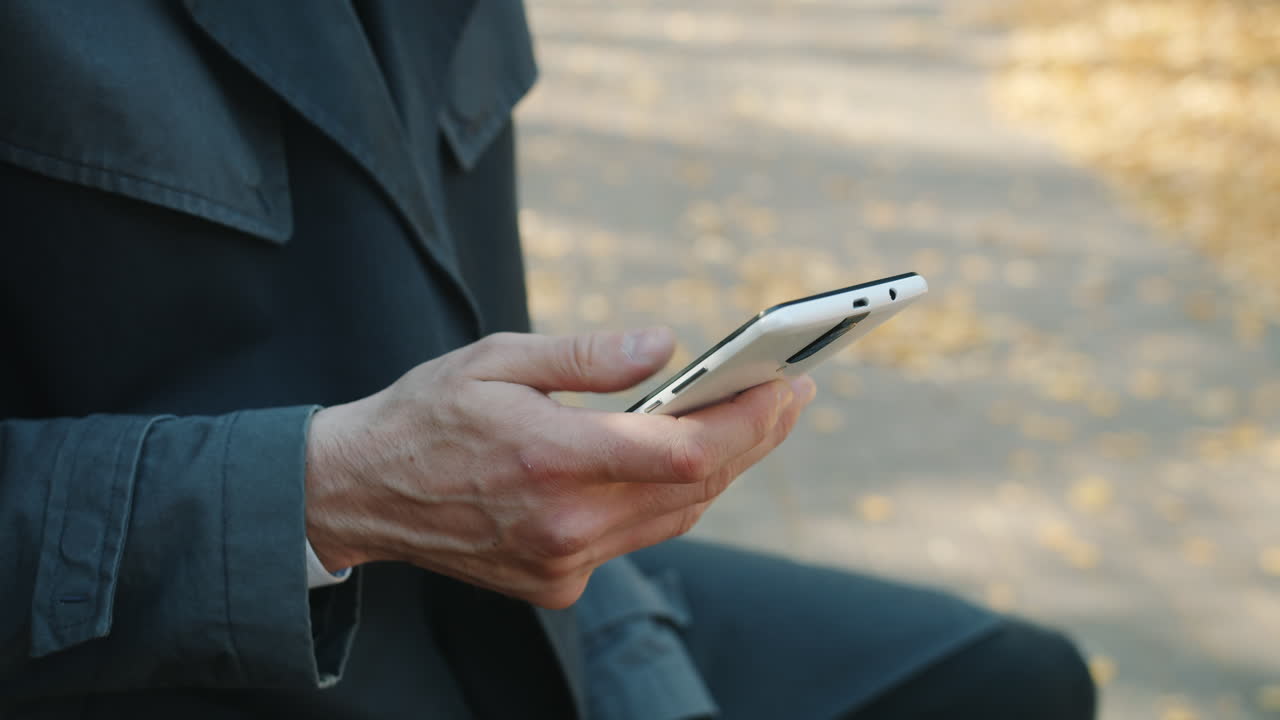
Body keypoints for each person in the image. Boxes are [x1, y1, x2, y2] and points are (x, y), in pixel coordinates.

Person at [0, 2, 1096, 718]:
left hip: (496, 611)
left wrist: (638, 671)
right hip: (145, 662)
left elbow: (460, 349)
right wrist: (322, 494)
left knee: (1008, 682)